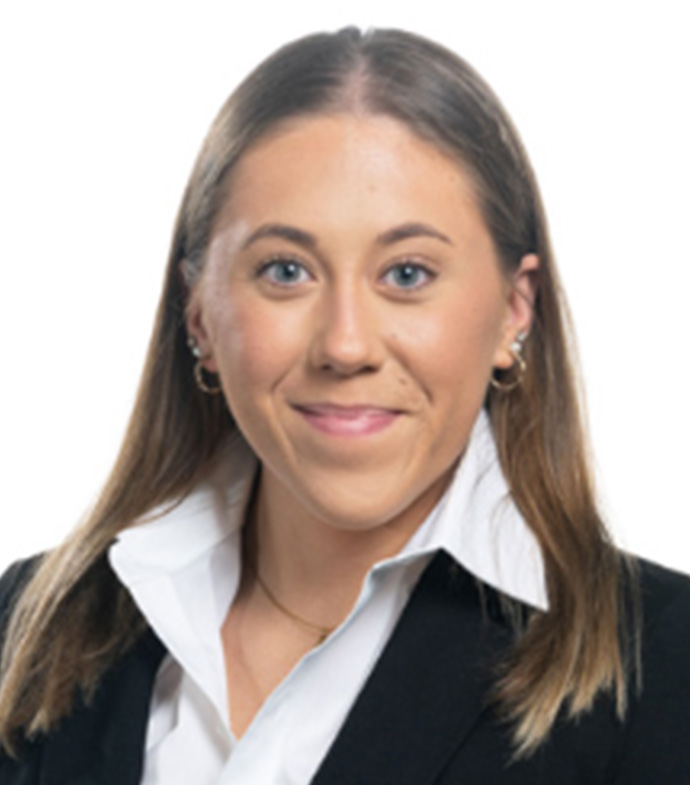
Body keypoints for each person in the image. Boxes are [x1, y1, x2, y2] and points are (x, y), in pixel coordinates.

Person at [1, 26, 689, 785]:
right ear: (198, 312)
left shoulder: (665, 665)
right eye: (286, 270)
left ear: (512, 312)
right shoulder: (29, 626)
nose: (346, 344)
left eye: (407, 273)